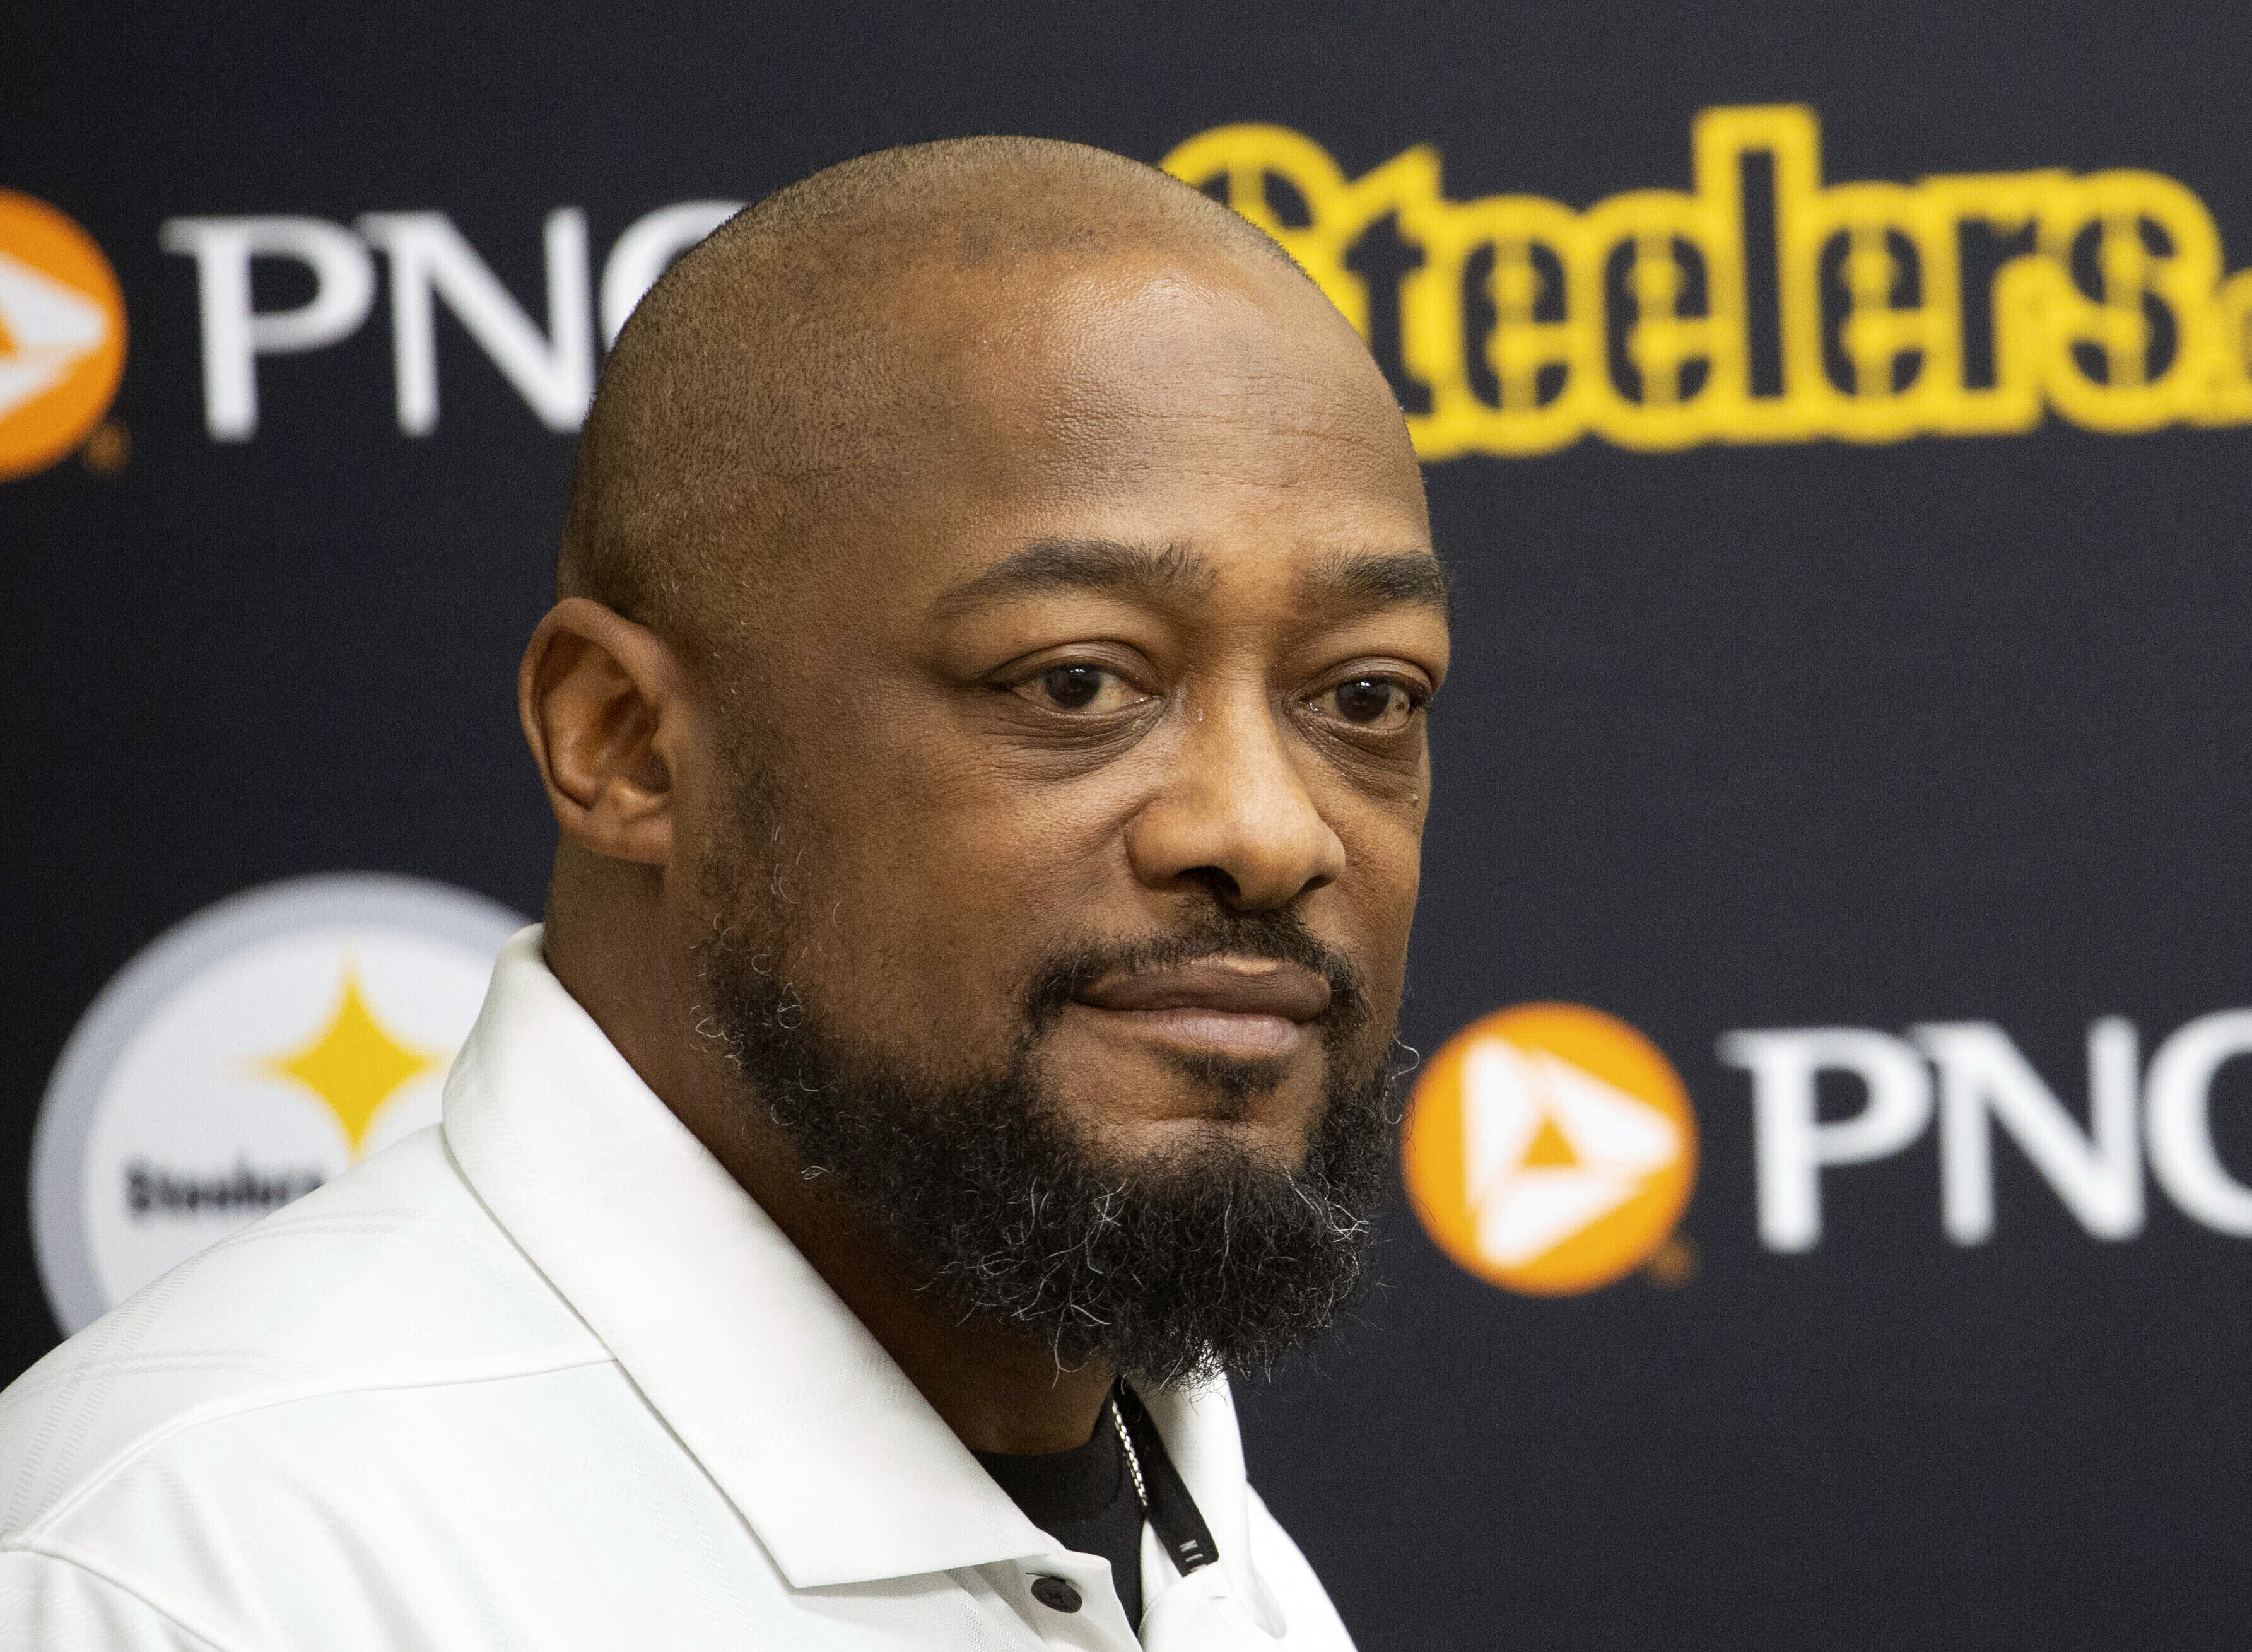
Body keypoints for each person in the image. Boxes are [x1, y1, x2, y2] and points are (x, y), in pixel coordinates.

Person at [0, 136, 1450, 1651]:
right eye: (1077, 680)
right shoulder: (203, 1572)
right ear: (624, 740)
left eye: (1365, 695)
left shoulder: (1187, 1517)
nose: (1271, 831)